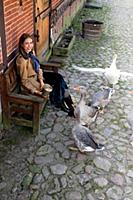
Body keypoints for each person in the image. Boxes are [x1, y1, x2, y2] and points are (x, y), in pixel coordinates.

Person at [16, 33, 74, 116]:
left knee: (59, 77)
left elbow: (38, 68)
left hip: (38, 78)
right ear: (21, 45)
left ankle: (66, 104)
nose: (29, 46)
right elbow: (24, 81)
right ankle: (67, 105)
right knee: (58, 84)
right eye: (26, 43)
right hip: (31, 82)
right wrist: (36, 91)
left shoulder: (31, 53)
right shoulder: (21, 61)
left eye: (31, 43)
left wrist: (41, 80)